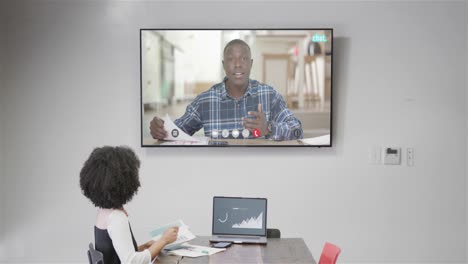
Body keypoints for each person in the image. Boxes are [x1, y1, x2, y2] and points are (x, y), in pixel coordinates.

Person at [150, 39, 303, 141]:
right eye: (231, 59)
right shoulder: (205, 101)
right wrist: (161, 129)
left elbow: (297, 131)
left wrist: (269, 128)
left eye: (243, 58)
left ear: (251, 63)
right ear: (224, 65)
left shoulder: (269, 95)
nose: (237, 64)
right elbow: (176, 132)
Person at [79, 146, 178, 264]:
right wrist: (164, 240)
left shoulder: (103, 213)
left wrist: (147, 246)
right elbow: (131, 261)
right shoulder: (116, 218)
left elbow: (115, 255)